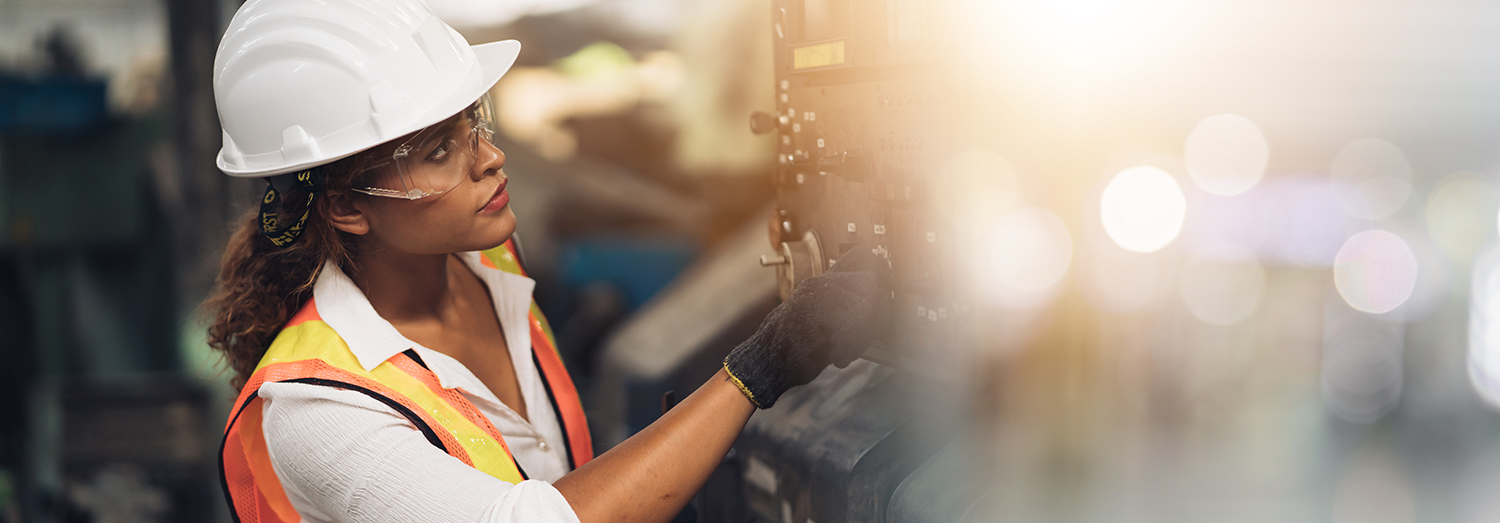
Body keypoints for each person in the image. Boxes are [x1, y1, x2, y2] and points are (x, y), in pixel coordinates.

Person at [202, 1, 892, 522]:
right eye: (441, 150)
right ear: (347, 208)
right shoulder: (318, 410)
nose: (491, 157)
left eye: (475, 120)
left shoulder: (488, 260)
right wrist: (760, 367)